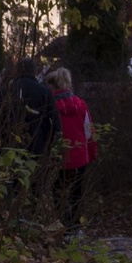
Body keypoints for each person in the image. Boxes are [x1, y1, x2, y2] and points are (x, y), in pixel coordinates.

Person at [46, 66, 97, 229]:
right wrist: (91, 153)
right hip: (79, 155)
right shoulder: (81, 104)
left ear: (53, 86)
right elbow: (89, 131)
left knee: (56, 190)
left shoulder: (50, 106)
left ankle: (63, 222)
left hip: (59, 156)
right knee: (76, 191)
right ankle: (75, 226)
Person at [2, 56, 56, 197]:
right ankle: (33, 213)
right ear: (34, 71)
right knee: (36, 187)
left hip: (10, 147)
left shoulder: (6, 91)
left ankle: (8, 213)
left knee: (10, 186)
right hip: (37, 147)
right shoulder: (44, 92)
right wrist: (51, 147)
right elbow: (54, 123)